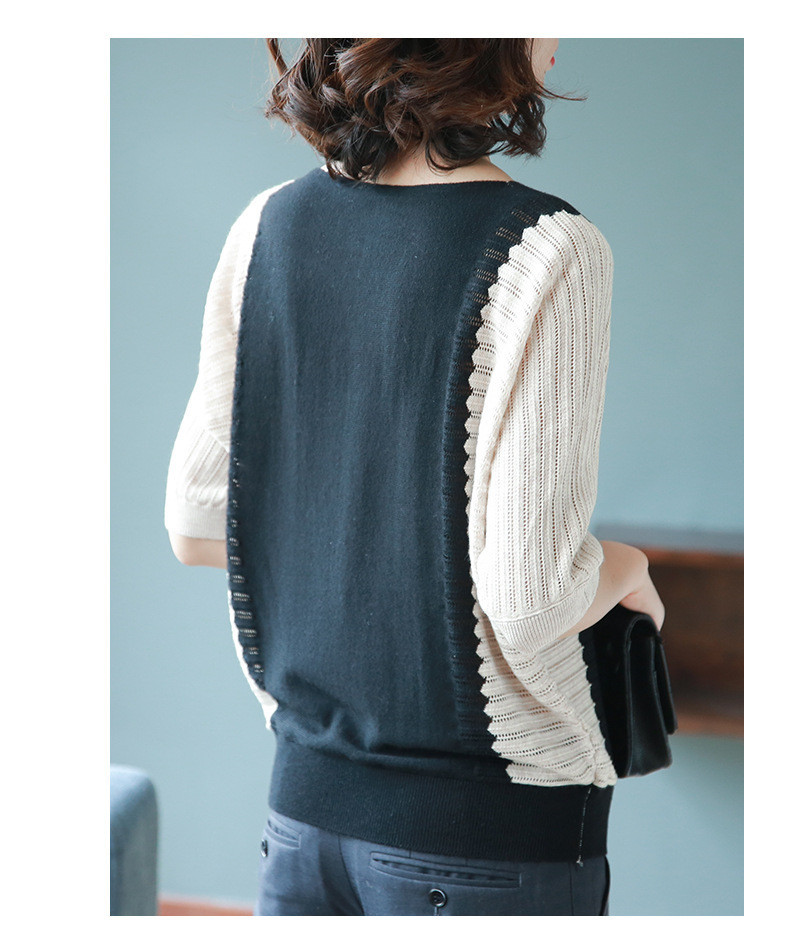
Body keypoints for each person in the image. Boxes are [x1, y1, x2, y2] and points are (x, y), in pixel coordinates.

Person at [164, 38, 665, 916]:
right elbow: (532, 599)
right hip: (489, 832)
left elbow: (196, 527)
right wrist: (627, 567)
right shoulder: (549, 250)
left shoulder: (266, 226)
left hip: (303, 816)